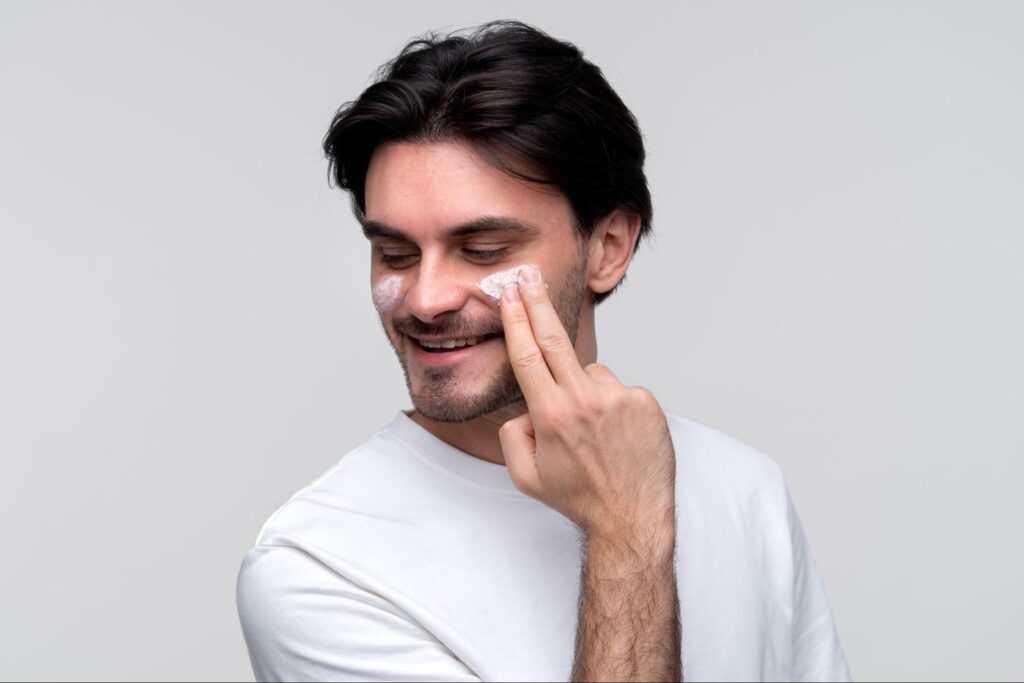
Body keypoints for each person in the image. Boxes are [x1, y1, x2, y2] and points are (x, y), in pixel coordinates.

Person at [235, 19, 852, 682]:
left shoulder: (745, 487)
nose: (425, 298)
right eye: (396, 254)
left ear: (608, 247)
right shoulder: (318, 565)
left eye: (484, 250)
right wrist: (625, 534)